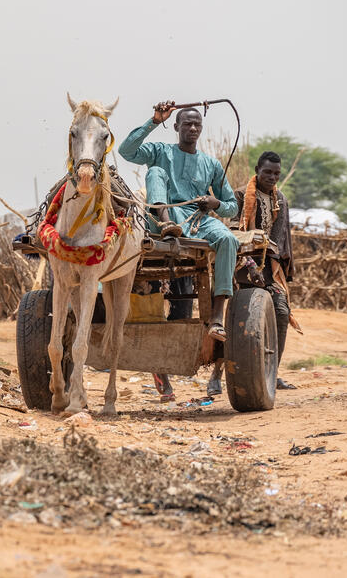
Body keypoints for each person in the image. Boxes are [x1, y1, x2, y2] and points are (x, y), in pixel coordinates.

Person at [118, 101, 239, 341]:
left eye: (197, 125)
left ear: (201, 128)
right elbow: (126, 151)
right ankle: (166, 225)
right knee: (155, 171)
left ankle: (217, 317)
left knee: (228, 239)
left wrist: (215, 203)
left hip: (197, 220)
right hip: (162, 218)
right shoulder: (160, 151)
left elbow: (232, 207)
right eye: (187, 124)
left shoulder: (211, 164)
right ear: (176, 127)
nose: (192, 128)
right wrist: (154, 121)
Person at [208, 151, 298, 395]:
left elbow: (277, 242)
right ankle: (216, 375)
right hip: (238, 265)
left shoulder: (280, 199)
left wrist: (270, 275)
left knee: (281, 312)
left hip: (268, 269)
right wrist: (249, 266)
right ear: (257, 170)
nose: (272, 177)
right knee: (235, 321)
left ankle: (271, 372)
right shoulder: (239, 195)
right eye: (267, 172)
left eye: (276, 173)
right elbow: (234, 235)